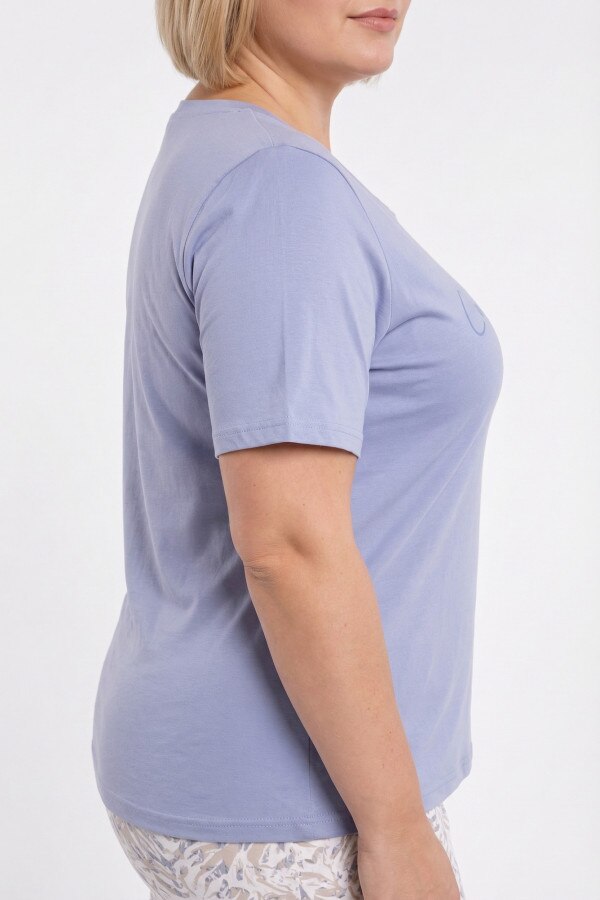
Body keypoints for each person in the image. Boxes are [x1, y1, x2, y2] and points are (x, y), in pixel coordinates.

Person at [91, 0, 503, 897]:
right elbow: (288, 544)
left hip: (251, 773)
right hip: (302, 800)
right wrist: (397, 829)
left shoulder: (220, 146)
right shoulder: (279, 189)